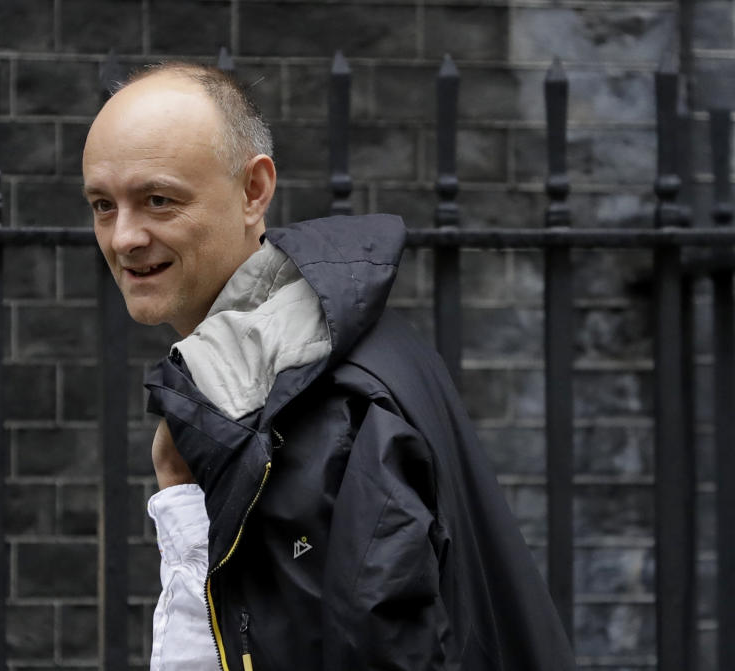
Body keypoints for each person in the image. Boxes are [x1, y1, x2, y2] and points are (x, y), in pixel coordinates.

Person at [82, 63, 576, 671]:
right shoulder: (307, 368)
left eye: (158, 200)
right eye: (103, 205)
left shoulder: (324, 402)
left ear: (254, 191)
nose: (124, 236)